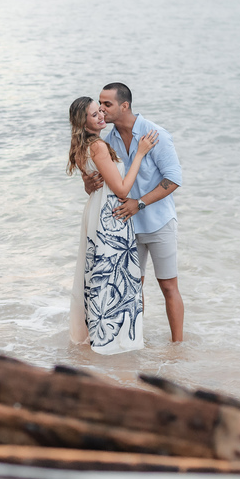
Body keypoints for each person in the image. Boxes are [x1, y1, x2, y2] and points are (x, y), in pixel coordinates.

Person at [85, 83, 185, 343]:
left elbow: (174, 179)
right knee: (131, 289)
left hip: (159, 222)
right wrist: (89, 183)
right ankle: (135, 343)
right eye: (99, 104)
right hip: (126, 226)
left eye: (107, 104)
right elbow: (104, 183)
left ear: (125, 105)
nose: (101, 109)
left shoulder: (155, 135)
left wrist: (138, 203)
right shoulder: (107, 141)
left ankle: (178, 348)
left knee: (168, 286)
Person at [67, 96, 158, 354]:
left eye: (100, 111)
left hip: (96, 213)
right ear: (83, 121)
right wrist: (140, 153)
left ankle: (99, 335)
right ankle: (113, 341)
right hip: (112, 216)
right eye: (94, 114)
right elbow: (122, 189)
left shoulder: (80, 145)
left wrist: (89, 185)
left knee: (100, 273)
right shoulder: (98, 146)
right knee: (116, 275)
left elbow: (91, 184)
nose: (101, 116)